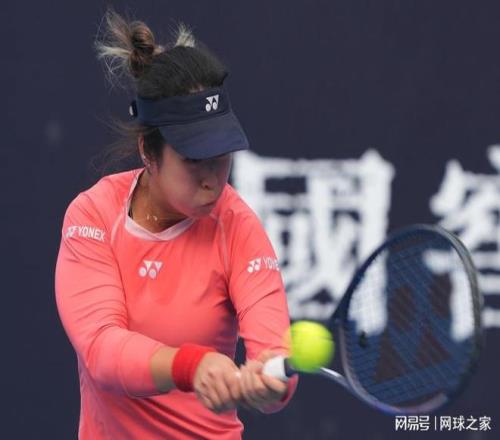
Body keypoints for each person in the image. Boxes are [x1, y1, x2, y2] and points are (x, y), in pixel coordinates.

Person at [54, 8, 298, 439]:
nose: (212, 179)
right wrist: (192, 365)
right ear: (149, 152)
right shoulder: (92, 216)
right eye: (193, 159)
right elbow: (102, 351)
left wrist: (271, 381)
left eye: (221, 155)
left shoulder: (238, 225)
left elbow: (275, 352)